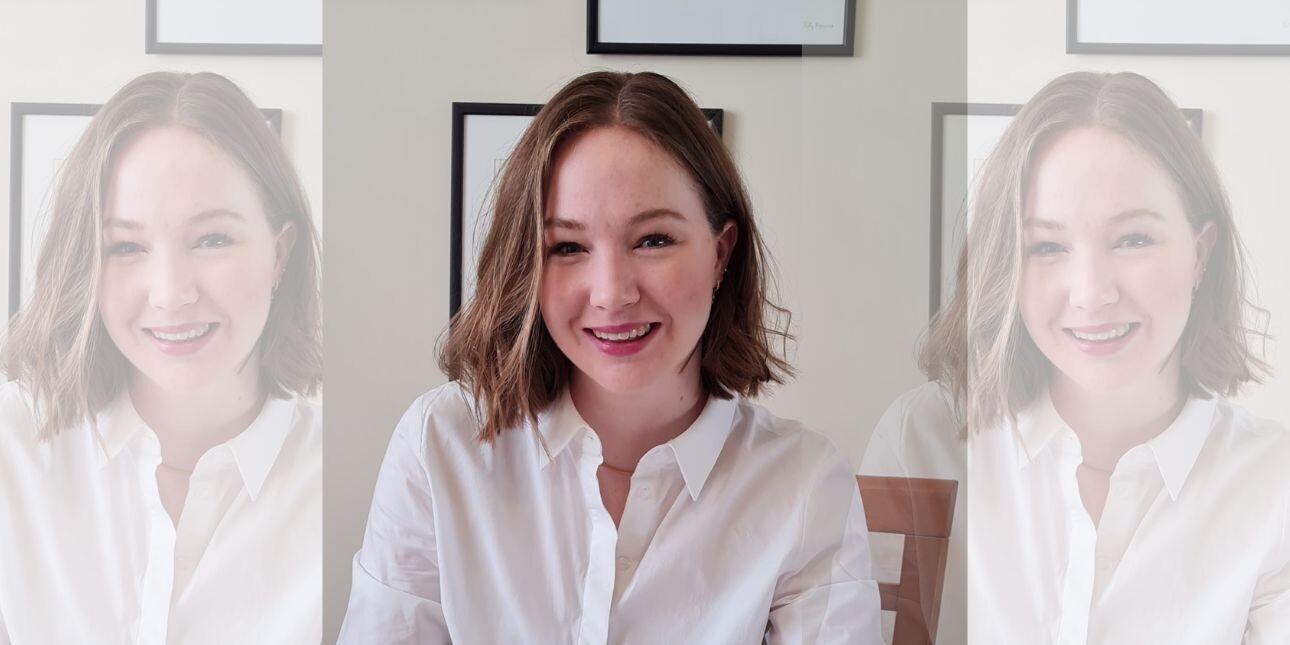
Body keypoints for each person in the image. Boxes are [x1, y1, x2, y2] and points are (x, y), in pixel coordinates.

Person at [339, 70, 882, 644]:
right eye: (568, 247)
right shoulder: (438, 444)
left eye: (654, 240)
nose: (611, 293)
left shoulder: (804, 482)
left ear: (721, 255)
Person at [870, 70, 1285, 645]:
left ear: (1200, 254)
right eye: (1046, 246)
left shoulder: (1273, 482)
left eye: (1133, 239)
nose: (1091, 293)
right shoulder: (921, 439)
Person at [0, 71, 322, 644]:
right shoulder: (13, 449)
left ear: (279, 255)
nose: (171, 293)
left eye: (212, 239)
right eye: (126, 247)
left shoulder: (344, 478)